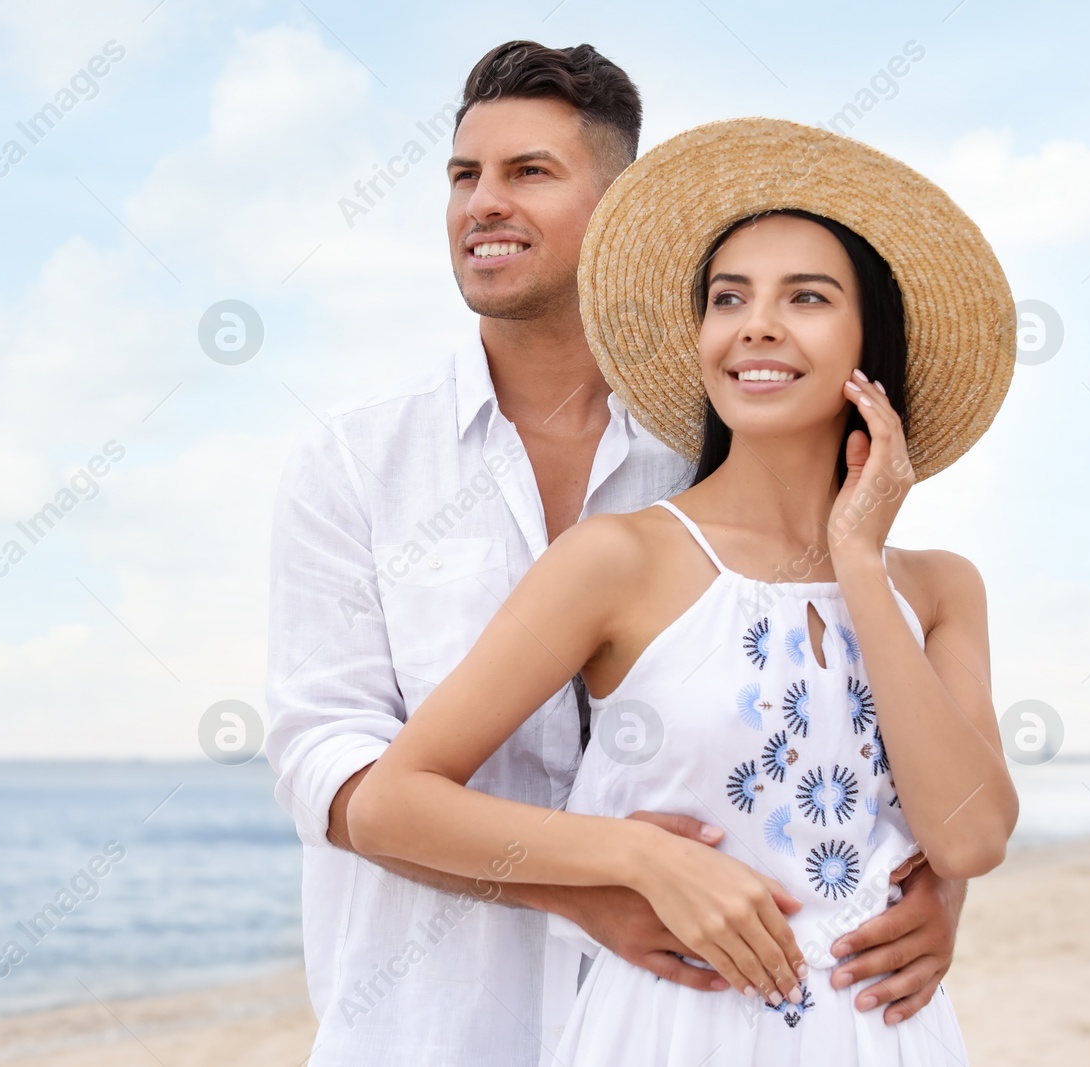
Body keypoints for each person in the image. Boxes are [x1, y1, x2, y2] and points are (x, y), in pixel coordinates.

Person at [266, 43, 969, 1067]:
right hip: (428, 1020)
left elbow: (859, 707)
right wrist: (596, 883)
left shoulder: (726, 446)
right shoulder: (354, 458)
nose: (481, 204)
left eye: (529, 173)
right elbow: (328, 766)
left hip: (699, 1020)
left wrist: (933, 889)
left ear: (621, 204)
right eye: (463, 176)